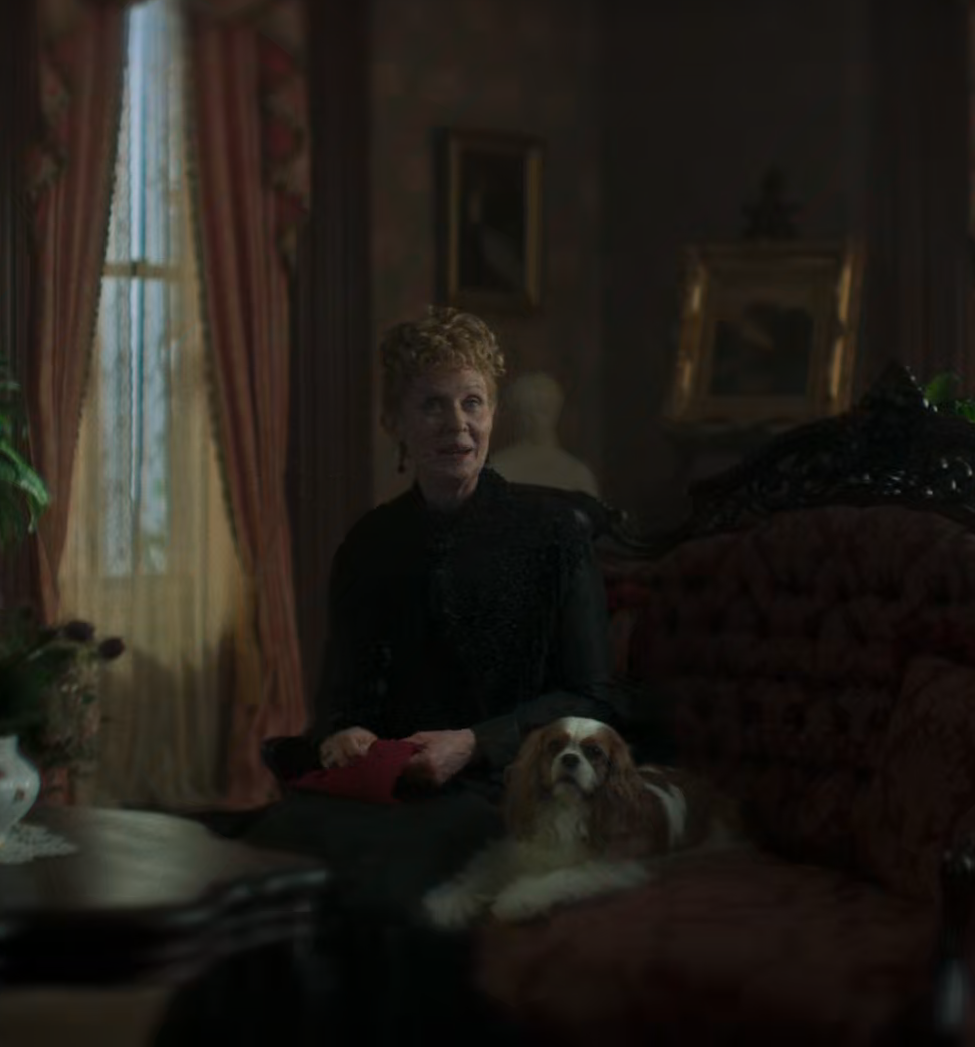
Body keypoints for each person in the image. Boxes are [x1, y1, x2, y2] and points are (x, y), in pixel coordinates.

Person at [154, 306, 626, 1046]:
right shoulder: (369, 544)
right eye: (431, 405)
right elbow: (339, 699)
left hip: (496, 785)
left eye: (472, 402)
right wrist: (343, 732)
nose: (456, 424)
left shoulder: (553, 537)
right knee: (259, 874)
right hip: (381, 784)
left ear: (493, 414)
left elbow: (595, 699)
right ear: (394, 423)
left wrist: (473, 743)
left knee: (379, 895)